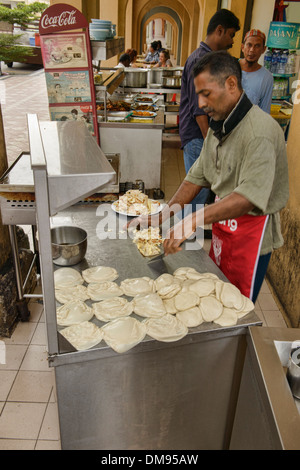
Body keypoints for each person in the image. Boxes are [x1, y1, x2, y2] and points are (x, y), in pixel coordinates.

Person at [131, 51, 289, 303]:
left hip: (252, 234)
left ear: (231, 84)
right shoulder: (220, 126)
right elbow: (196, 177)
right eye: (198, 96)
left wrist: (192, 220)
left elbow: (248, 197)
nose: (201, 104)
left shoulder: (260, 131)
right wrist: (162, 214)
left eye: (206, 94)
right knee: (215, 297)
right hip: (224, 227)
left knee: (237, 307)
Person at [179, 9, 241, 214]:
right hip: (199, 136)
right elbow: (199, 110)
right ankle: (183, 239)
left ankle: (185, 235)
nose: (232, 41)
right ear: (220, 30)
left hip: (201, 136)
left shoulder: (209, 59)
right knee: (197, 193)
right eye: (231, 35)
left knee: (199, 193)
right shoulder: (202, 61)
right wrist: (209, 144)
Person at [240, 29, 274, 113]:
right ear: (242, 47)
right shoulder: (230, 67)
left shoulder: (267, 77)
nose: (252, 50)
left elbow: (265, 111)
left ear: (263, 49)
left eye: (257, 46)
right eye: (249, 45)